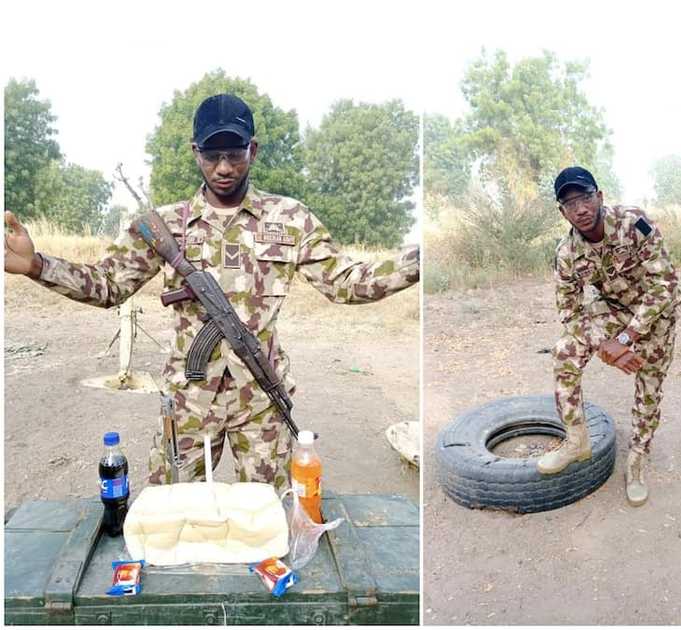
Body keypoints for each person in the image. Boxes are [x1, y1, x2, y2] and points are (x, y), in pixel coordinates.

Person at [3, 94, 419, 491]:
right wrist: (37, 266)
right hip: (188, 402)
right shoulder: (166, 224)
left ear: (252, 151)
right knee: (172, 511)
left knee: (265, 516)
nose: (223, 167)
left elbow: (347, 282)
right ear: (195, 152)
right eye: (211, 155)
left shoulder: (290, 219)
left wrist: (418, 263)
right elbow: (109, 285)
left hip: (261, 402)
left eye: (234, 154)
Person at [540, 166, 681, 507]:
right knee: (565, 350)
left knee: (649, 389)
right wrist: (603, 343)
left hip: (657, 316)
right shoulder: (567, 253)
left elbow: (664, 285)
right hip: (613, 309)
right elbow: (570, 312)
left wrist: (625, 340)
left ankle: (636, 459)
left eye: (585, 198)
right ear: (563, 212)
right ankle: (576, 439)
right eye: (570, 203)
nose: (581, 209)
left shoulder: (634, 223)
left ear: (599, 197)